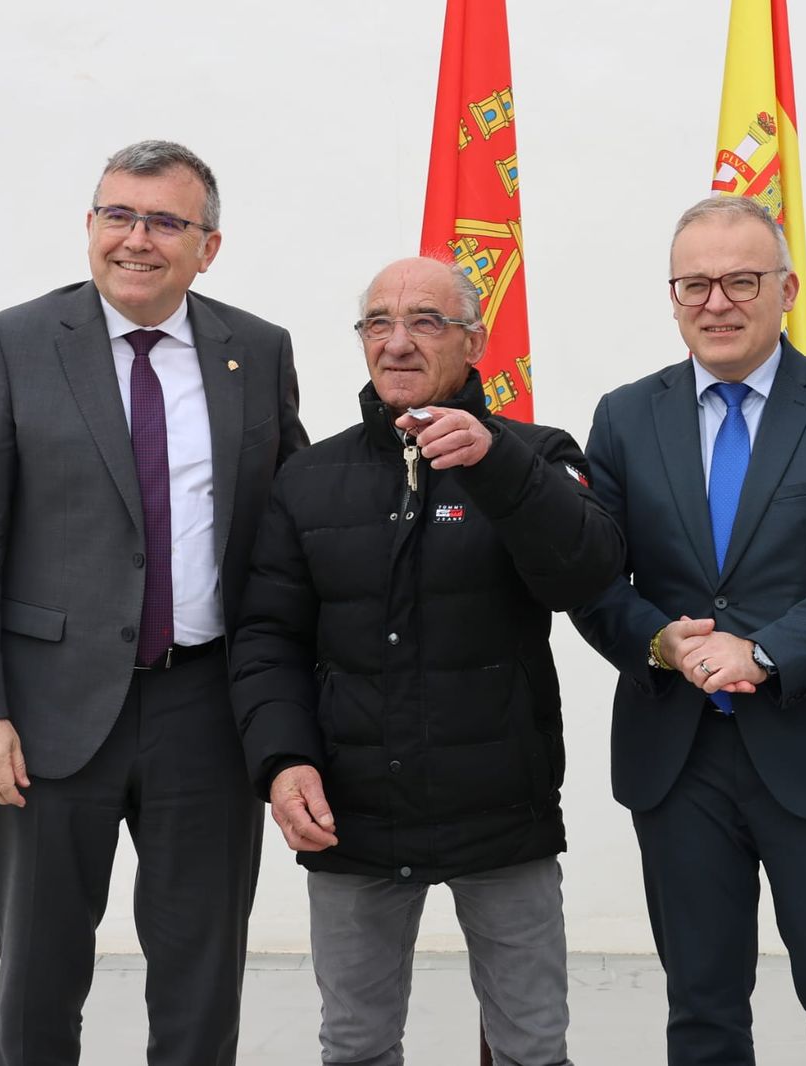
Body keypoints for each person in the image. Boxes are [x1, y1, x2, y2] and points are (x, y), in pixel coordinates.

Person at [0, 140, 308, 1065]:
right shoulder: (12, 342)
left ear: (208, 246)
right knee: (39, 975)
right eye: (118, 216)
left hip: (208, 711)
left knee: (202, 973)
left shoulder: (255, 351)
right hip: (47, 718)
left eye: (166, 222)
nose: (137, 240)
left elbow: (292, 528)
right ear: (90, 227)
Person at [229, 256, 623, 1066]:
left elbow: (585, 572)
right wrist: (282, 759)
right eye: (379, 322)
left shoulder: (536, 455)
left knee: (531, 1049)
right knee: (357, 1047)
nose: (398, 343)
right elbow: (267, 637)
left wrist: (496, 463)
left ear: (474, 341)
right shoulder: (308, 479)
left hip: (502, 817)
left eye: (426, 322)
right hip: (352, 816)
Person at [570, 197, 806, 1065]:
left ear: (787, 289)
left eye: (740, 281)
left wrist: (763, 652)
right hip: (677, 762)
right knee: (702, 1009)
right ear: (674, 294)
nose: (716, 302)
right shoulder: (623, 416)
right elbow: (591, 576)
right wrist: (660, 642)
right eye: (695, 284)